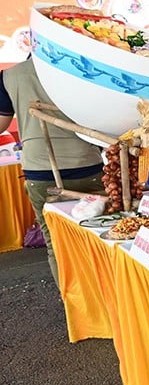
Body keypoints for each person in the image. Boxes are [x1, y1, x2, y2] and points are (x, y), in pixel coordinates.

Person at [0, 59, 104, 286]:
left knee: (55, 241)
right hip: (85, 164)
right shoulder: (82, 66)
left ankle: (73, 303)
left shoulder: (10, 76)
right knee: (100, 234)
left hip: (40, 169)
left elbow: (1, 124)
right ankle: (104, 296)